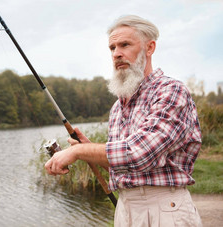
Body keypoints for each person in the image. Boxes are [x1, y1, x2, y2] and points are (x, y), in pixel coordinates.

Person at [44, 15, 202, 227]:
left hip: (166, 209)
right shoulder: (117, 108)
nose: (117, 53)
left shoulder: (171, 91)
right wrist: (90, 148)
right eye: (112, 48)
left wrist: (77, 152)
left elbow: (140, 153)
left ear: (150, 47)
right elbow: (124, 165)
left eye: (125, 45)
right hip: (125, 211)